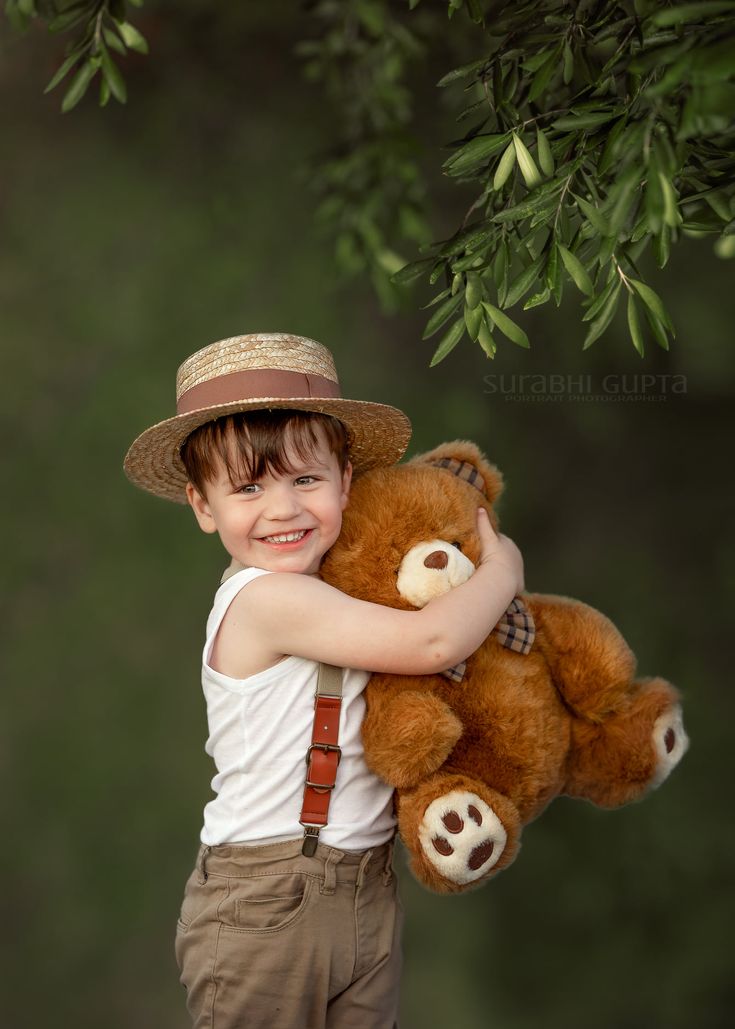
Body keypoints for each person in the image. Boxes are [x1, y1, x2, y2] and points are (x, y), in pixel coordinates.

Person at [123, 332, 524, 1029]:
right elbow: (430, 641)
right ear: (202, 505)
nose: (281, 509)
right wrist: (501, 573)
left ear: (345, 480)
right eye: (248, 487)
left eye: (303, 480)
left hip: (364, 885)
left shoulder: (336, 591)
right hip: (267, 898)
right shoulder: (265, 600)